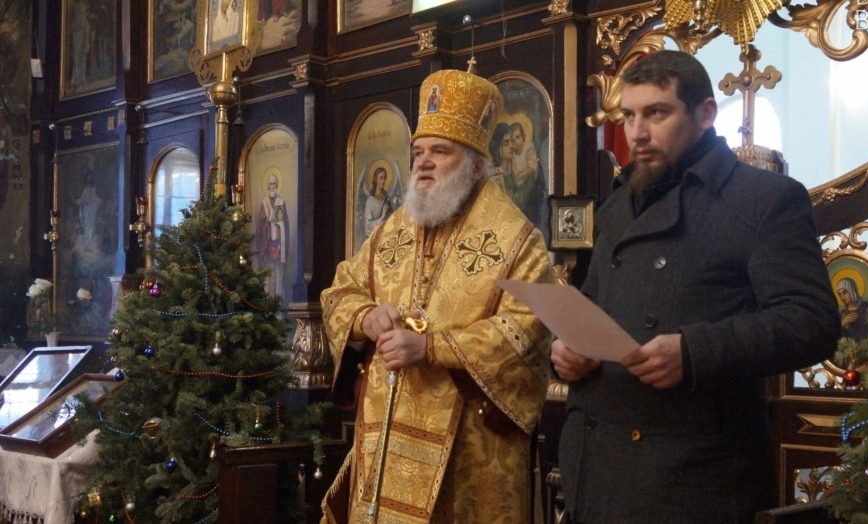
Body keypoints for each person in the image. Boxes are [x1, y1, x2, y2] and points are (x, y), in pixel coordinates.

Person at [550, 50, 840, 523]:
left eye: (656, 113)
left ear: (705, 114)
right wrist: (567, 351)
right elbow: (593, 306)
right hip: (598, 469)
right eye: (629, 116)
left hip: (690, 478)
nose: (637, 133)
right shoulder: (618, 206)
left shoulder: (764, 199)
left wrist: (693, 352)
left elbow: (811, 322)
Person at [320, 65, 555, 524]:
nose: (423, 163)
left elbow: (526, 332)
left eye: (440, 151)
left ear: (475, 164)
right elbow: (341, 290)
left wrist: (430, 347)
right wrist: (365, 317)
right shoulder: (394, 228)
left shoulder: (516, 240)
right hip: (385, 436)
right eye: (417, 152)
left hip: (468, 445)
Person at [256, 172, 289, 303]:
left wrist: (279, 227)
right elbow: (259, 227)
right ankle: (267, 304)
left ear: (277, 185)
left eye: (274, 183)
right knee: (268, 277)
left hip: (278, 245)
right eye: (270, 184)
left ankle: (278, 304)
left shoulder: (281, 202)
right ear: (267, 186)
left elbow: (285, 224)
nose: (272, 186)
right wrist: (267, 221)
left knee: (278, 277)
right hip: (267, 246)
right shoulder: (264, 203)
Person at [361, 164, 394, 241]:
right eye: (381, 178)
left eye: (384, 178)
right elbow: (368, 226)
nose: (383, 181)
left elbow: (391, 219)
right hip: (373, 239)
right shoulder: (370, 201)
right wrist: (382, 218)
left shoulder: (386, 199)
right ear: (376, 180)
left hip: (385, 238)